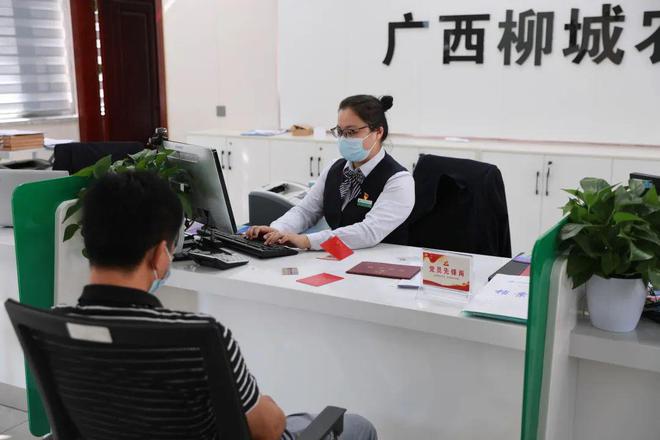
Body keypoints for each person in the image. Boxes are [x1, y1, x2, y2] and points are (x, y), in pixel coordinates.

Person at [52, 171, 377, 440]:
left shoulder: (53, 328)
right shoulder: (195, 338)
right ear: (160, 255)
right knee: (356, 426)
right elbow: (268, 430)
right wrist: (267, 406)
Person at [246, 94, 415, 250]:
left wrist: (306, 240)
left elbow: (368, 232)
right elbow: (306, 211)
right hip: (338, 257)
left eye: (352, 131)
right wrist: (276, 230)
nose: (344, 138)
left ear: (378, 132)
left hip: (383, 264)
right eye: (340, 131)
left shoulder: (398, 180)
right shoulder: (335, 168)